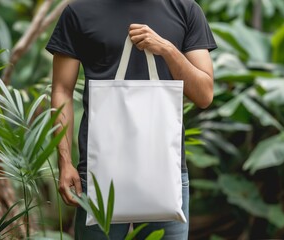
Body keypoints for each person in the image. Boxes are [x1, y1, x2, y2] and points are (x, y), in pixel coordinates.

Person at [46, 0, 217, 239]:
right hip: (99, 172)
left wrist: (167, 49)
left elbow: (204, 95)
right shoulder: (79, 12)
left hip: (166, 173)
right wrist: (64, 162)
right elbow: (61, 90)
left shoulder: (186, 10)